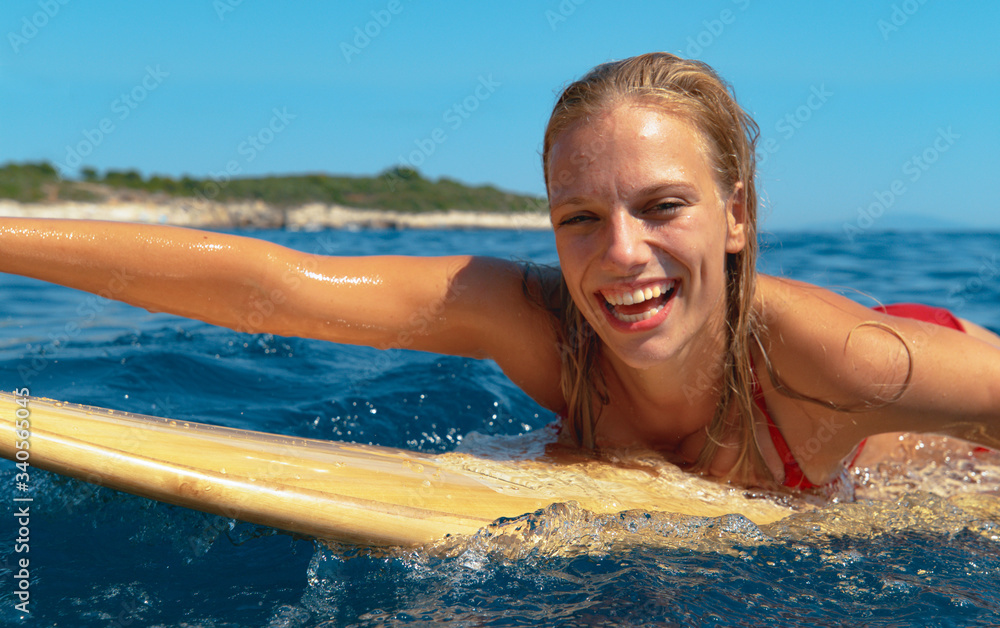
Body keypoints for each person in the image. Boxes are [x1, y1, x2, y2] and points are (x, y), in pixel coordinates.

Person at [3, 52, 999, 491]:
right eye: (579, 217)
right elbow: (277, 285)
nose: (619, 255)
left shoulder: (850, 359)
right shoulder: (530, 320)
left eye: (662, 207)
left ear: (735, 215)